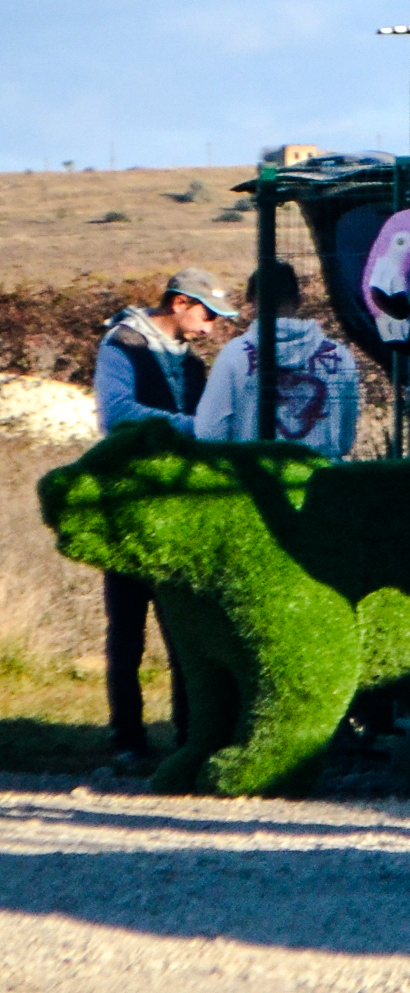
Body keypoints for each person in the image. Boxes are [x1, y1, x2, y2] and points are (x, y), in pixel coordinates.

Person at [92, 267, 236, 767]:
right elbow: (115, 413)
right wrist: (190, 427)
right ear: (178, 303)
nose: (213, 325)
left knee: (183, 628)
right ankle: (126, 738)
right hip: (130, 505)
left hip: (179, 511)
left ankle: (186, 735)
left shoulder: (193, 364)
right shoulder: (123, 343)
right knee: (127, 629)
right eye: (207, 313)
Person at [196, 261, 359, 459]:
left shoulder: (234, 355)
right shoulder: (339, 356)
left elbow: (209, 432)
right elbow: (344, 440)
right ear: (298, 301)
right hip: (319, 479)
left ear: (252, 303)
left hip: (257, 478)